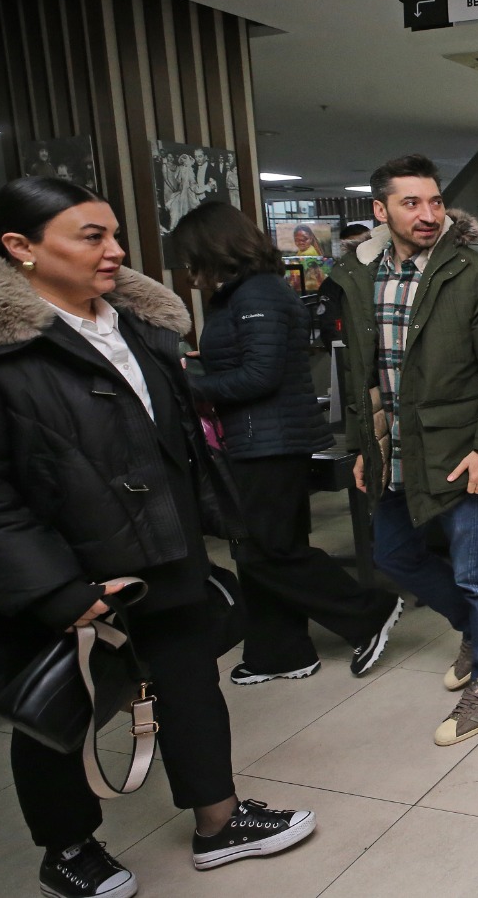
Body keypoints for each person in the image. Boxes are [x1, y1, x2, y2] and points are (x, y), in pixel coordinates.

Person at [0, 177, 316, 898]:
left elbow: (175, 437)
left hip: (164, 548)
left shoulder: (136, 324)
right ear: (21, 247)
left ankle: (218, 820)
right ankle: (68, 849)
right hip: (69, 570)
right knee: (60, 713)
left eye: (115, 234)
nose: (116, 251)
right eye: (91, 236)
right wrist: (56, 589)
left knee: (191, 687)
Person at [328, 154, 478, 747]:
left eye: (435, 201)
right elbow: (363, 374)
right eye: (411, 203)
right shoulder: (359, 278)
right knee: (394, 556)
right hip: (395, 448)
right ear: (380, 210)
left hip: (461, 448)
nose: (428, 214)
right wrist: (364, 447)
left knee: (477, 573)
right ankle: (476, 630)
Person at [170, 202, 404, 687]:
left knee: (264, 551)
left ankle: (368, 611)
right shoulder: (242, 294)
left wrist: (188, 384)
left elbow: (261, 375)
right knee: (269, 548)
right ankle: (279, 652)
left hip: (270, 442)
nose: (189, 271)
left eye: (191, 259)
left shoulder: (258, 293)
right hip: (258, 437)